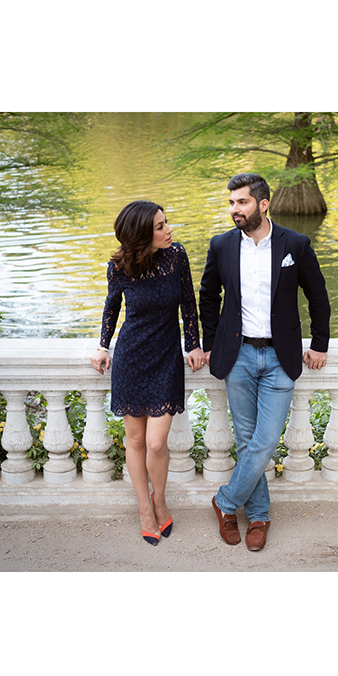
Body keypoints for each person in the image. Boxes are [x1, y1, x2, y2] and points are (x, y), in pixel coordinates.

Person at [199, 173, 331, 551]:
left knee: (267, 440)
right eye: (231, 203)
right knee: (246, 440)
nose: (234, 209)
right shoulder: (221, 245)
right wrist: (210, 344)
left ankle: (225, 502)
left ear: (262, 204)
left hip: (280, 355)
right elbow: (208, 296)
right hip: (238, 355)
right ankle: (258, 516)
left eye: (241, 202)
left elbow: (318, 296)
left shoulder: (295, 244)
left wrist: (320, 344)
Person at [90, 201, 206, 546]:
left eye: (166, 222)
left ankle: (160, 499)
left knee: (156, 442)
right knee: (137, 440)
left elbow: (189, 303)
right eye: (160, 226)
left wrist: (194, 345)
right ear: (142, 234)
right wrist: (103, 346)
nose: (168, 230)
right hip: (131, 357)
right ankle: (144, 508)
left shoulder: (176, 256)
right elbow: (112, 306)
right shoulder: (119, 268)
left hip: (166, 357)